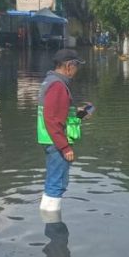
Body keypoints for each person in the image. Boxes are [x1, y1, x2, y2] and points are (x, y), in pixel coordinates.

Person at [37, 49, 93, 212]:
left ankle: (47, 215)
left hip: (50, 139)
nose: (77, 70)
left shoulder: (51, 82)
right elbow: (52, 119)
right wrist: (65, 147)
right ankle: (53, 225)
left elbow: (60, 115)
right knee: (58, 182)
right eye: (77, 66)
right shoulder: (58, 86)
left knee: (54, 180)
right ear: (69, 66)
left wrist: (81, 114)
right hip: (56, 142)